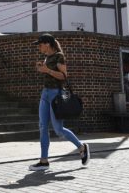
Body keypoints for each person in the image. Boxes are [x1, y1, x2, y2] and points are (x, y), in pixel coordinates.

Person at [28, 33, 90, 171]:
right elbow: (48, 73)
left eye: (40, 44)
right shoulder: (47, 57)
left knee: (58, 129)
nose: (38, 46)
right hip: (45, 93)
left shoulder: (59, 56)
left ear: (47, 44)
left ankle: (81, 147)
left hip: (56, 95)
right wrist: (41, 68)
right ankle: (44, 161)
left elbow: (63, 76)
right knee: (43, 126)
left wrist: (47, 70)